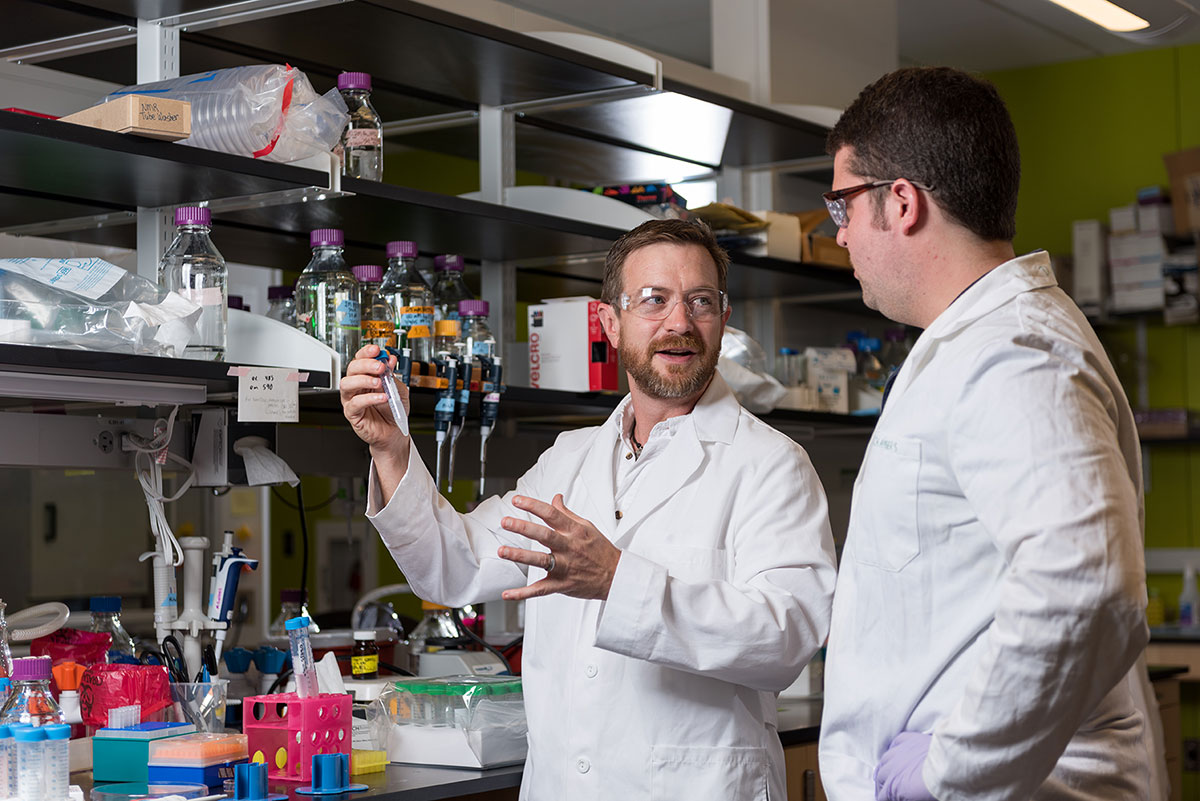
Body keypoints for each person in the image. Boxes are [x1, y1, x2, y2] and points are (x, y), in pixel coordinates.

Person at [341, 218, 837, 800]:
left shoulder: (771, 464)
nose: (679, 322)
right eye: (654, 300)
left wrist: (618, 580)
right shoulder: (569, 460)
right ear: (610, 323)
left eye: (699, 301)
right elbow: (455, 566)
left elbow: (786, 640)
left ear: (722, 318)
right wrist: (392, 450)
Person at [817, 66, 1155, 801]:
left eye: (841, 205)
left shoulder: (1011, 353)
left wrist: (951, 770)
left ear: (900, 202)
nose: (838, 234)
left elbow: (1086, 582)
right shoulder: (973, 343)